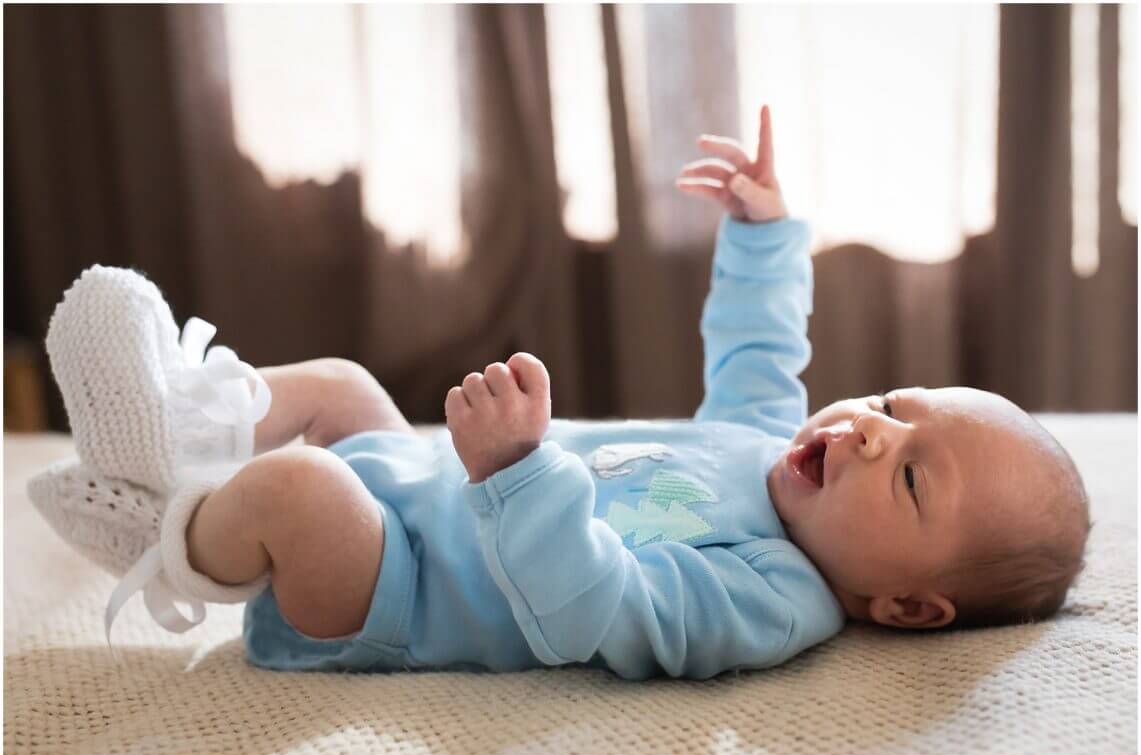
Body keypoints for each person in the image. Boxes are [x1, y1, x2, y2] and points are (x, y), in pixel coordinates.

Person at [31, 108, 1087, 684]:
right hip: (418, 474)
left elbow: (604, 615)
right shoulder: (769, 438)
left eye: (908, 473)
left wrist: (520, 472)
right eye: (894, 401)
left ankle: (172, 533)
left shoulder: (776, 598)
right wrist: (765, 232)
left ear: (906, 605)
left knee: (303, 487)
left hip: (393, 589)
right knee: (347, 389)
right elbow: (762, 345)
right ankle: (179, 435)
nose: (866, 431)